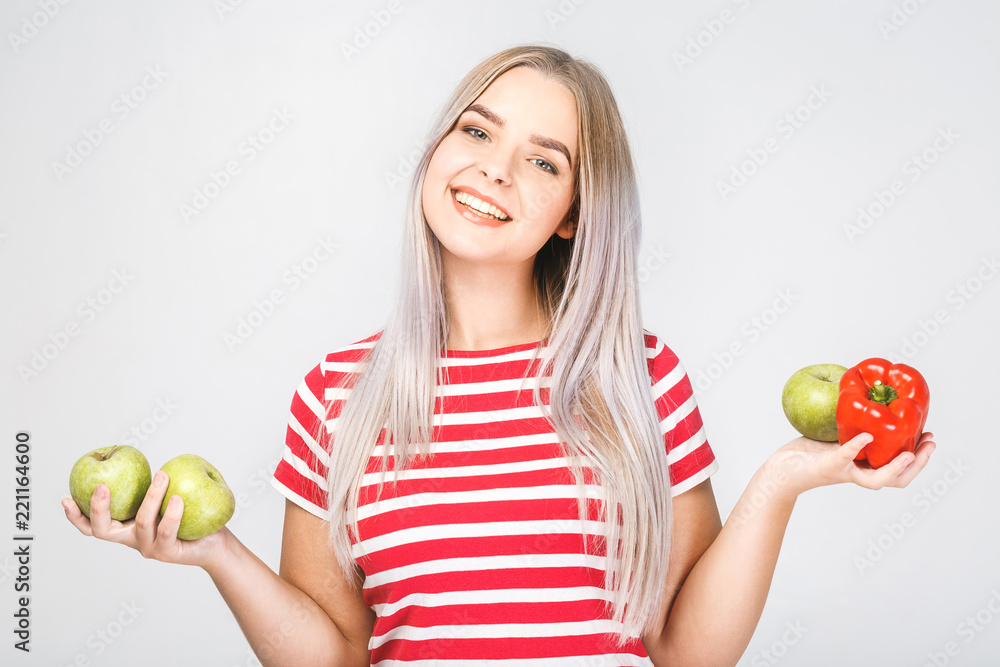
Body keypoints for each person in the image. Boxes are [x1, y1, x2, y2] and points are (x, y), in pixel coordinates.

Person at [62, 44, 936, 666]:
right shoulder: (336, 393)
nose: (494, 171)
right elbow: (333, 656)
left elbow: (684, 652)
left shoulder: (640, 377)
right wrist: (214, 552)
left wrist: (784, 474)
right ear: (438, 151)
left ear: (571, 214)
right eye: (477, 134)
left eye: (543, 161)